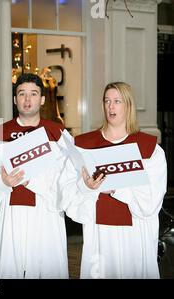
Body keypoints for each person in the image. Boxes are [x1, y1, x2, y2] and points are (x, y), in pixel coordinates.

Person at [59, 82, 167, 278]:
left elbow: (152, 201)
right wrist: (85, 187)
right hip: (99, 233)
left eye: (117, 101)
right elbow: (65, 192)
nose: (111, 107)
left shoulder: (149, 149)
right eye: (107, 101)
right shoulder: (84, 145)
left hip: (135, 234)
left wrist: (115, 187)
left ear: (128, 106)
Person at [0, 73, 70, 278]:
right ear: (15, 99)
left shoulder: (57, 133)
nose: (27, 99)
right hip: (10, 211)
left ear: (42, 99)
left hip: (45, 211)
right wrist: (2, 182)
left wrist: (34, 180)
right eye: (21, 94)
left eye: (33, 94)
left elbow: (68, 176)